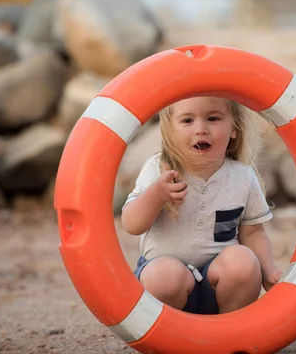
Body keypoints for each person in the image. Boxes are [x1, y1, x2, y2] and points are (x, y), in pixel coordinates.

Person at [121, 96, 283, 315]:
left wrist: (268, 270)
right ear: (170, 130)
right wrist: (156, 195)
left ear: (234, 128)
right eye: (188, 121)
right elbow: (131, 224)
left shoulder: (243, 177)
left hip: (218, 287)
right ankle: (174, 340)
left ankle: (228, 335)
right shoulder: (158, 169)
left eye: (213, 118)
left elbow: (253, 232)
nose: (201, 129)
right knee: (164, 275)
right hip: (165, 288)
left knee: (243, 262)